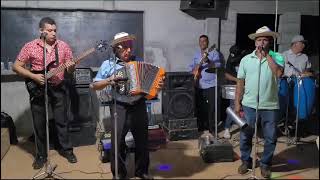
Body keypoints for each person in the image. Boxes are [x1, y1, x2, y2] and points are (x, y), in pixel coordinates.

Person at [90, 32, 162, 179]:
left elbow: (150, 86)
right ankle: (119, 174)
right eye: (125, 47)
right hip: (119, 106)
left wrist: (158, 85)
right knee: (117, 142)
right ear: (117, 48)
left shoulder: (139, 61)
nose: (129, 50)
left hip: (139, 104)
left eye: (130, 47)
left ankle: (142, 171)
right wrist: (109, 80)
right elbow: (94, 85)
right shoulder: (108, 64)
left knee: (142, 140)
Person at [12, 17, 77, 169]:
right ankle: (41, 155)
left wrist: (71, 66)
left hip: (58, 86)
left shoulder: (63, 46)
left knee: (62, 121)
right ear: (41, 31)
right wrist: (34, 76)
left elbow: (69, 70)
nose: (53, 33)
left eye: (55, 30)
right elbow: (16, 66)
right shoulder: (30, 46)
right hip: (38, 87)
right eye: (49, 30)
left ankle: (67, 150)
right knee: (39, 123)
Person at [235, 26, 284, 178]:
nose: (262, 42)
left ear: (269, 42)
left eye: (265, 39)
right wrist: (237, 102)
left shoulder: (277, 57)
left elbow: (278, 73)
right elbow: (240, 82)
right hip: (249, 104)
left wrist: (267, 56)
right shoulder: (246, 59)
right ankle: (245, 161)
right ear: (255, 42)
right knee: (245, 135)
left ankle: (265, 164)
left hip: (270, 105)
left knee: (270, 137)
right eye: (259, 39)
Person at [189, 35, 221, 138]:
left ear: (208, 43)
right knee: (200, 107)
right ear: (199, 43)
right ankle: (201, 127)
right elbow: (190, 67)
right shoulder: (196, 54)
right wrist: (195, 69)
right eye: (201, 41)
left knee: (211, 108)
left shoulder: (213, 53)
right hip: (199, 85)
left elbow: (218, 66)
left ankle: (212, 129)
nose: (202, 43)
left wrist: (208, 61)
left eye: (204, 41)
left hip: (211, 85)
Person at [281, 35, 313, 136]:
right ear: (295, 44)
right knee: (288, 105)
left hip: (300, 85)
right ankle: (286, 124)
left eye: (304, 43)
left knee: (301, 104)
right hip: (287, 82)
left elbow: (307, 71)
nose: (304, 45)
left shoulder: (305, 57)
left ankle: (299, 126)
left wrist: (307, 73)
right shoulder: (284, 55)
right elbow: (279, 70)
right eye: (302, 43)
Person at [223, 44, 242, 139]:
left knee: (245, 107)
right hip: (233, 86)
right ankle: (227, 128)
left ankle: (243, 127)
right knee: (233, 107)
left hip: (244, 86)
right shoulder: (230, 58)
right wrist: (236, 80)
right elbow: (226, 74)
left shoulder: (244, 58)